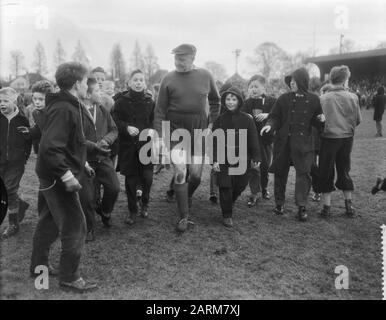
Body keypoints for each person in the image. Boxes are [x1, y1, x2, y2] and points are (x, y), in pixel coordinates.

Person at [30, 62, 97, 293]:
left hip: (53, 172)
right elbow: (50, 147)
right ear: (77, 83)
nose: (88, 84)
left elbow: (71, 143)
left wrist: (84, 163)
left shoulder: (69, 105)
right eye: (86, 80)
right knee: (75, 225)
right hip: (57, 175)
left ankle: (38, 266)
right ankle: (69, 277)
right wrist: (67, 175)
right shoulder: (63, 108)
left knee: (49, 222)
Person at [153, 43, 220, 232]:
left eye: (181, 59)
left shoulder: (206, 76)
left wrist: (211, 124)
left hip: (198, 134)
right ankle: (183, 216)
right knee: (181, 171)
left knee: (196, 176)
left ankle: (185, 195)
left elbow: (216, 101)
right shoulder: (168, 78)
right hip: (175, 134)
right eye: (176, 59)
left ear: (193, 58)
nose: (178, 62)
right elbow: (159, 110)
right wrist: (159, 137)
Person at [261, 67, 325, 221]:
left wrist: (321, 119)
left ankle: (302, 207)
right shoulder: (283, 98)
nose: (291, 84)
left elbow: (317, 122)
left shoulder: (314, 99)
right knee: (280, 173)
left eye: (294, 81)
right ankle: (279, 204)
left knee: (303, 175)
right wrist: (270, 124)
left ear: (302, 81)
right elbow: (274, 116)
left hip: (304, 144)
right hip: (283, 143)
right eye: (290, 81)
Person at [212, 87, 261, 227]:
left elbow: (253, 138)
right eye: (228, 99)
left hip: (242, 159)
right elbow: (214, 141)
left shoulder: (247, 119)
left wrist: (256, 157)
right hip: (224, 159)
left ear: (239, 101)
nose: (230, 102)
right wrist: (214, 159)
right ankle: (227, 214)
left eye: (234, 99)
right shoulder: (219, 120)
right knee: (225, 186)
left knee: (240, 185)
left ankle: (229, 201)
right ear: (224, 101)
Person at [317, 66, 362, 218]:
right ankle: (349, 206)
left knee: (326, 171)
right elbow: (358, 120)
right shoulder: (353, 97)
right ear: (345, 79)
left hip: (329, 139)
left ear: (331, 78)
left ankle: (326, 208)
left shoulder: (323, 99)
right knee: (344, 170)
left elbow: (318, 122)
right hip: (347, 138)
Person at [79, 77, 119, 241]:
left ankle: (105, 211)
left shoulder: (102, 109)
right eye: (97, 91)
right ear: (88, 94)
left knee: (114, 188)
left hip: (103, 158)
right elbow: (76, 138)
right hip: (84, 161)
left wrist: (106, 141)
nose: (100, 93)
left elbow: (114, 130)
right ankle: (89, 227)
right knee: (87, 197)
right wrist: (94, 145)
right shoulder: (76, 112)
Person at [113, 69, 155, 224]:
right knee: (131, 181)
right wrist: (126, 128)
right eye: (135, 80)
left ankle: (145, 202)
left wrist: (152, 130)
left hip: (146, 146)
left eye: (141, 80)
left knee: (147, 177)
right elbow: (115, 121)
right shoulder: (121, 101)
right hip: (129, 147)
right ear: (129, 82)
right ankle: (132, 210)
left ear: (145, 83)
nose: (138, 83)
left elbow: (153, 120)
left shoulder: (150, 101)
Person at [0, 87, 32, 238]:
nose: (2, 104)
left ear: (13, 101)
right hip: (1, 162)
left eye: (5, 101)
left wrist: (23, 157)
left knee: (9, 190)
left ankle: (13, 223)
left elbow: (28, 141)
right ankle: (21, 205)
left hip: (15, 163)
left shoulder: (22, 119)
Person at [242, 75, 276, 207]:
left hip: (266, 140)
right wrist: (247, 116)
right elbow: (241, 114)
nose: (253, 89)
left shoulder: (272, 101)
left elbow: (279, 114)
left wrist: (267, 115)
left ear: (264, 87)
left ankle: (264, 188)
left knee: (265, 166)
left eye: (256, 86)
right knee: (254, 167)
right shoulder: (246, 102)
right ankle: (254, 193)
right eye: (251, 87)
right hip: (251, 141)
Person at [23, 80, 54, 154]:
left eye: (41, 99)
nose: (37, 102)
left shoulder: (57, 112)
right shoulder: (35, 113)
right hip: (46, 149)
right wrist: (29, 131)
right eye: (35, 99)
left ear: (50, 98)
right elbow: (39, 129)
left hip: (61, 150)